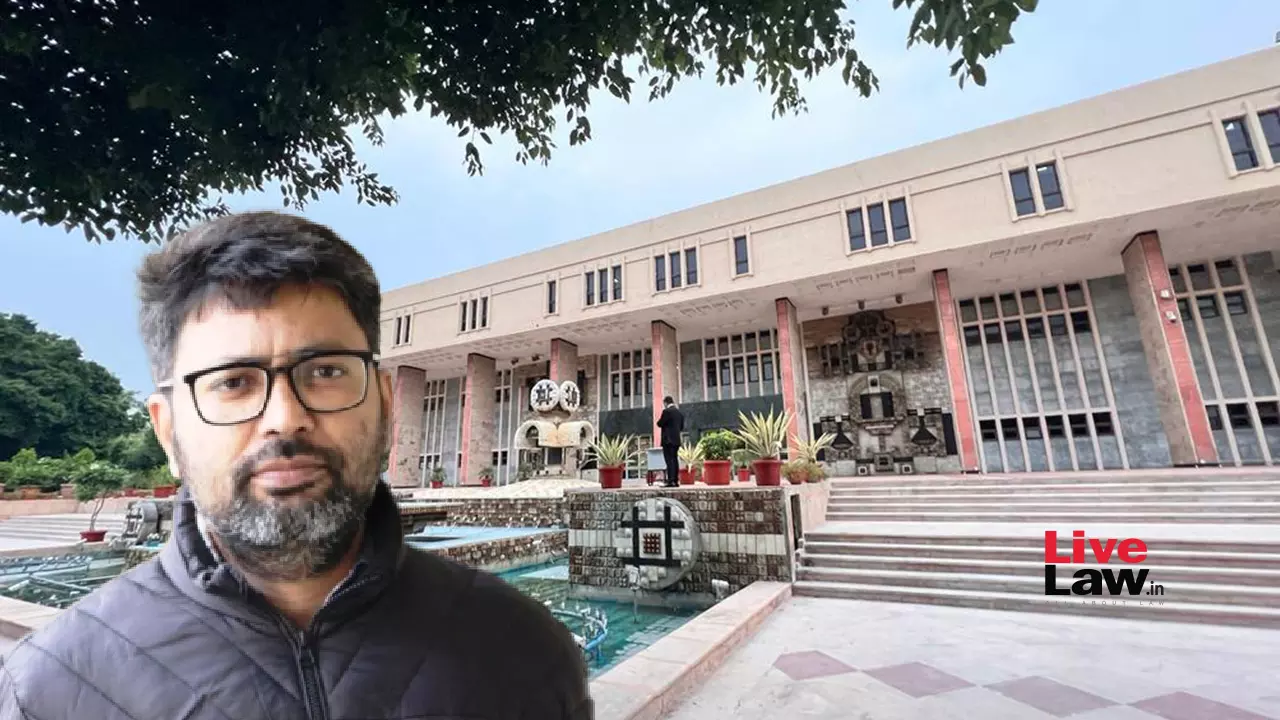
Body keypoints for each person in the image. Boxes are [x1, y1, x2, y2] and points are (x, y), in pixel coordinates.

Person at [0, 212, 592, 719]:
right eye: (233, 381)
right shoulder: (51, 691)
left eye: (326, 371)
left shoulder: (524, 651)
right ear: (167, 430)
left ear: (386, 404)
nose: (284, 419)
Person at [656, 396, 684, 487]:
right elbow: (681, 427)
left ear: (665, 403)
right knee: (674, 459)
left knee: (669, 460)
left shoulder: (666, 412)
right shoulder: (679, 413)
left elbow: (660, 423)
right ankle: (675, 480)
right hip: (676, 440)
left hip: (667, 440)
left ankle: (670, 481)